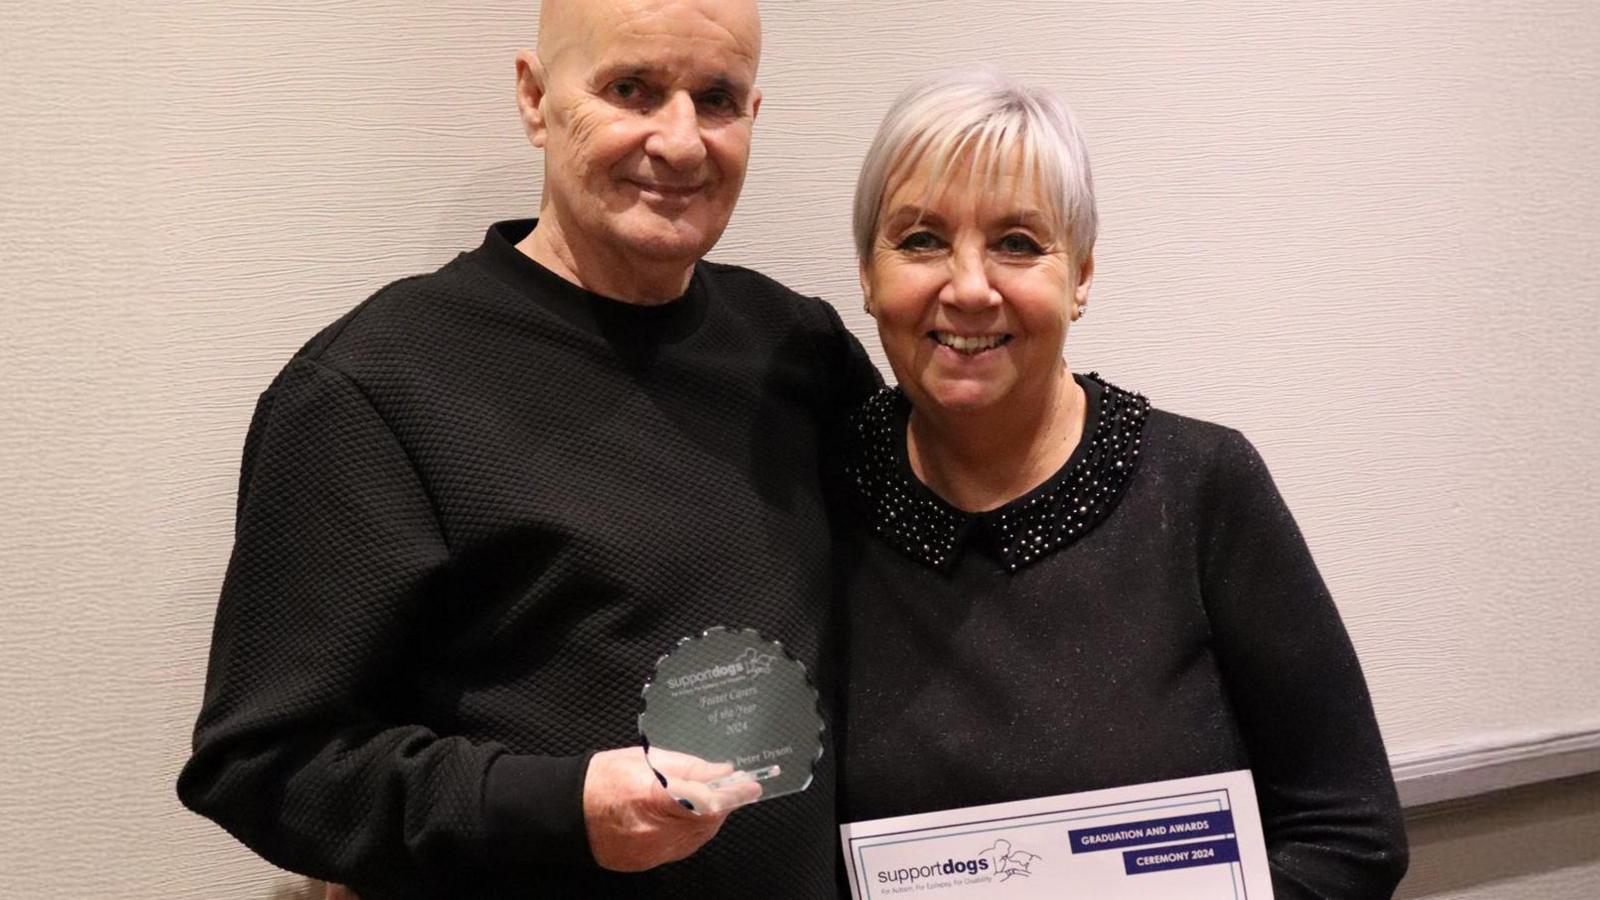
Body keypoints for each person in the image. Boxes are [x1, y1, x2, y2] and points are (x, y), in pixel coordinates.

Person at [176, 1, 878, 897]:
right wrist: (558, 808)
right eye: (632, 89)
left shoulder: (798, 349)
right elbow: (262, 763)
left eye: (716, 99)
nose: (680, 141)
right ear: (535, 98)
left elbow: (921, 587)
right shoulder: (375, 387)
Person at [835, 71, 1409, 898]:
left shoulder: (1202, 487)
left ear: (1082, 278)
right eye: (921, 240)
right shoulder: (809, 496)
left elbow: (1350, 834)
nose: (966, 286)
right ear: (867, 273)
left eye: (1018, 243)